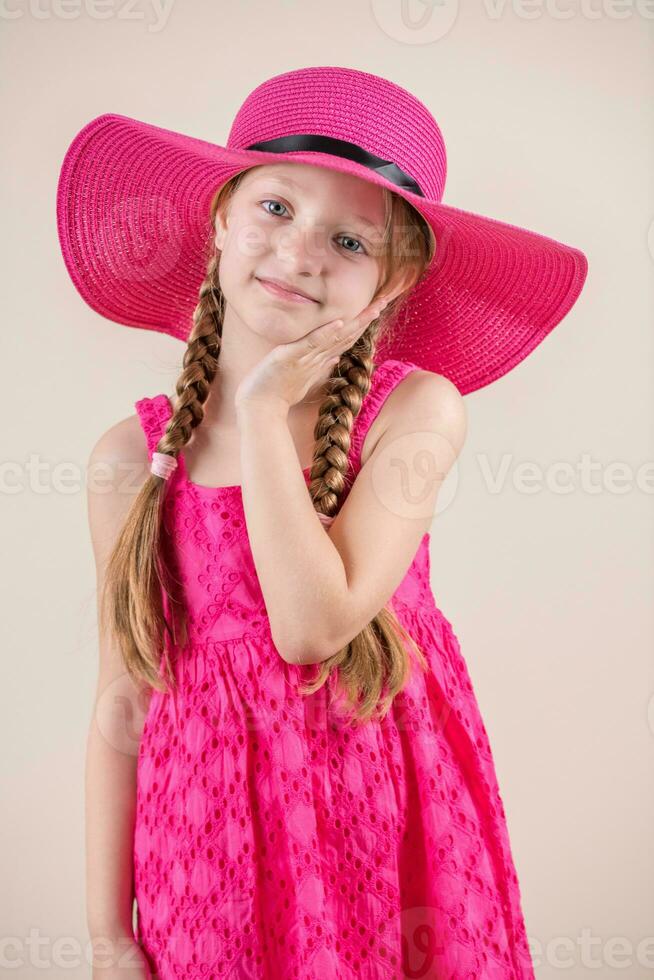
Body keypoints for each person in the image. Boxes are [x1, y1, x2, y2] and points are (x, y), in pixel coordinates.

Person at [57, 66, 588, 979]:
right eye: (274, 208)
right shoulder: (129, 459)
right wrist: (109, 936)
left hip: (387, 821)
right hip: (205, 843)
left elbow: (313, 627)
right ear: (221, 216)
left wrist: (263, 416)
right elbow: (121, 699)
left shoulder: (415, 411)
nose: (299, 254)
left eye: (349, 239)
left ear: (391, 284)